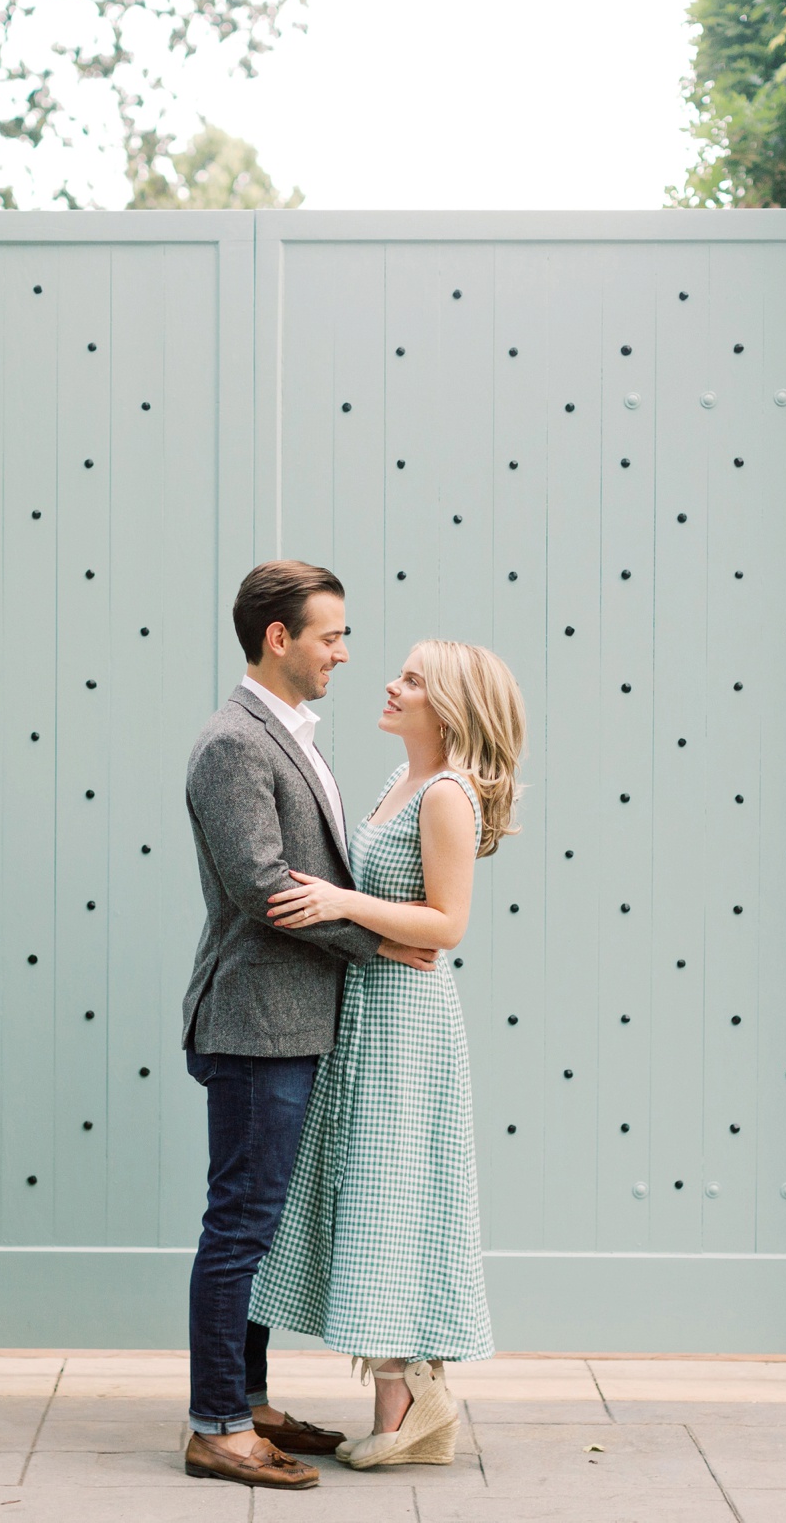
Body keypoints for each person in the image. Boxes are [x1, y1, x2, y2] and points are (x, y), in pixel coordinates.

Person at [180, 560, 440, 1491]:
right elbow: (263, 890)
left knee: (264, 1224)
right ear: (277, 639)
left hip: (294, 1022)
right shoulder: (233, 745)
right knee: (241, 1225)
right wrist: (381, 942)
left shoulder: (292, 736)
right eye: (330, 635)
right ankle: (217, 1424)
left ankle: (245, 1401)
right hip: (255, 1022)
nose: (343, 651)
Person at [251, 639, 526, 1469]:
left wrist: (340, 901)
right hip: (372, 1010)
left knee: (395, 1195)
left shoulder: (444, 795)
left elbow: (447, 926)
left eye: (411, 679)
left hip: (407, 1024)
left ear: (447, 705)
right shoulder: (398, 782)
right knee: (378, 1199)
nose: (391, 684)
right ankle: (410, 1399)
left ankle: (408, 1404)